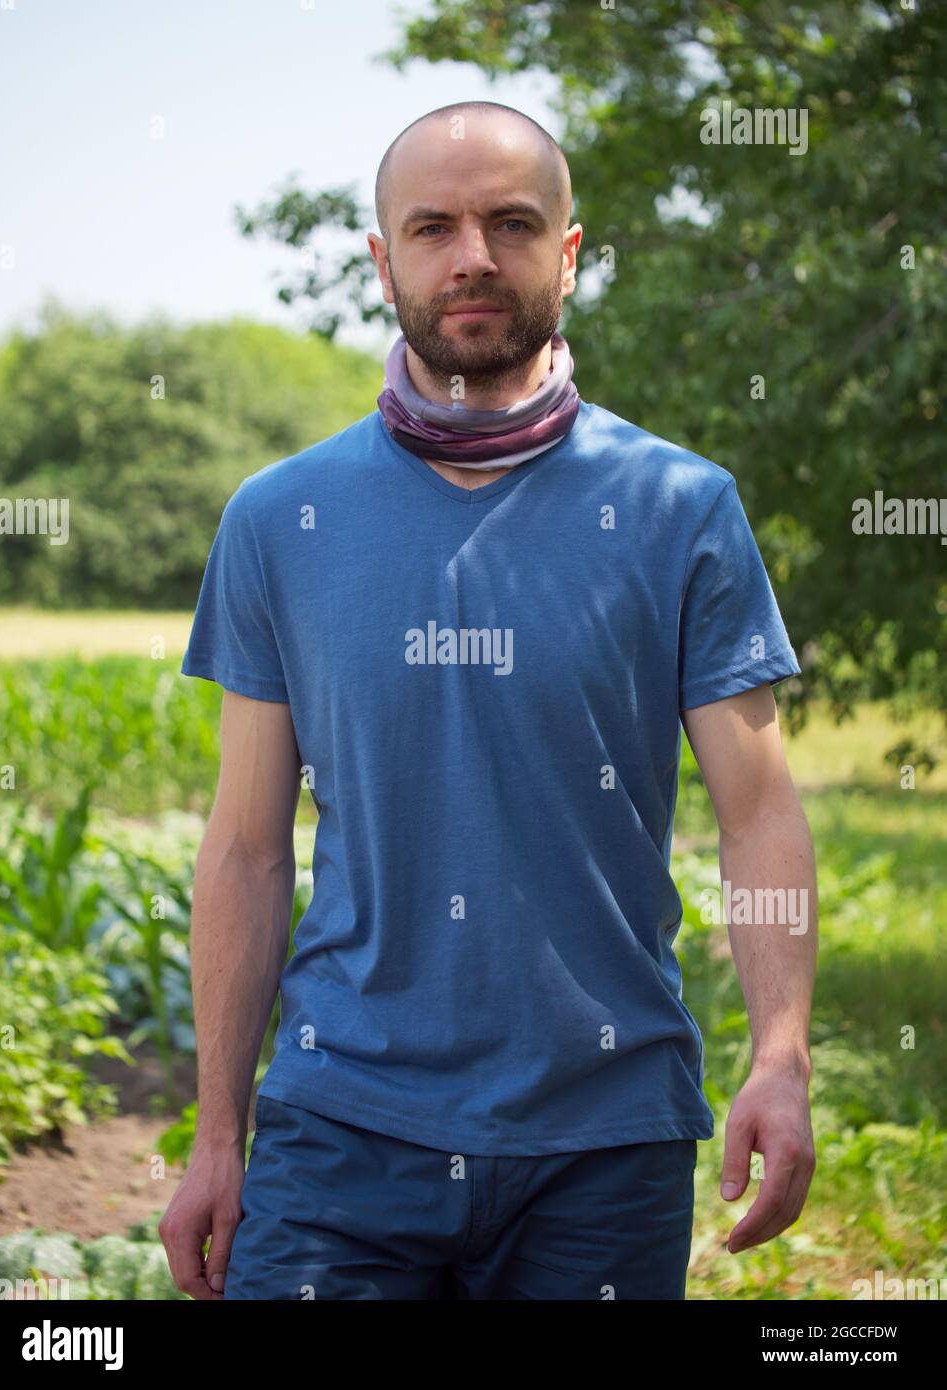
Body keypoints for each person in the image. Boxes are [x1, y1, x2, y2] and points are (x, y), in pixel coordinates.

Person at [160, 100, 817, 1301]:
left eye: (512, 223)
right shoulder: (278, 520)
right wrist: (216, 1133)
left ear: (567, 252)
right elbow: (248, 848)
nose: (472, 254)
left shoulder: (680, 506)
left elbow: (760, 813)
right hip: (340, 1128)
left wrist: (780, 1056)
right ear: (384, 261)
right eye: (433, 227)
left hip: (604, 1140)